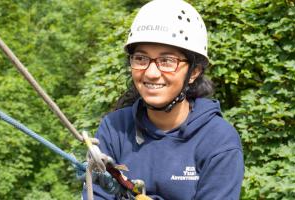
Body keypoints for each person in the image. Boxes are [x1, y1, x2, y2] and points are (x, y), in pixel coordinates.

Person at [82, 0, 244, 199]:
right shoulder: (115, 128)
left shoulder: (218, 141)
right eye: (141, 58)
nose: (151, 73)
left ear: (194, 72)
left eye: (167, 61)